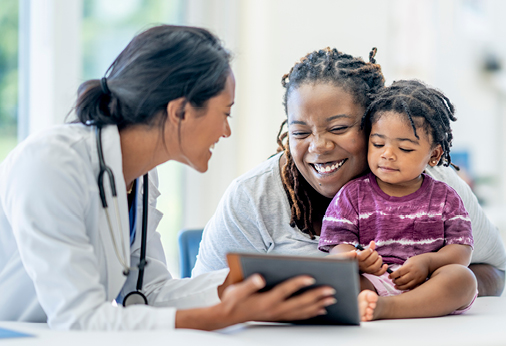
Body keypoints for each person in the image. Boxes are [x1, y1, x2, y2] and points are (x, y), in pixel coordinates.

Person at [0, 25, 337, 330]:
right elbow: (79, 319)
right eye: (225, 113)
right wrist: (222, 316)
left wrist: (262, 280)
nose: (226, 131)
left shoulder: (143, 176)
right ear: (180, 112)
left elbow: (148, 292)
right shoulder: (51, 162)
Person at [193, 47, 506, 297]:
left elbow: (493, 271)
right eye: (300, 133)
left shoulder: (432, 183)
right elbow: (204, 293)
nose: (318, 146)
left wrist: (417, 289)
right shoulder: (253, 197)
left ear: (375, 122)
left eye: (340, 128)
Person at [318, 80, 477, 321]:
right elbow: (337, 248)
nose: (387, 154)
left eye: (404, 148)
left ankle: (388, 308)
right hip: (372, 281)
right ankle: (373, 303)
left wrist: (429, 262)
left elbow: (462, 250)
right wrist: (357, 260)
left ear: (434, 155)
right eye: (378, 143)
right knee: (335, 280)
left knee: (463, 279)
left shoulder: (445, 197)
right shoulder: (352, 195)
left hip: (428, 284)